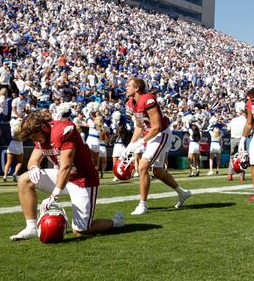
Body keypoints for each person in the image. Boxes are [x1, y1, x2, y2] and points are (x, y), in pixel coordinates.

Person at [10, 110, 124, 240]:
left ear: (43, 127)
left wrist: (54, 195)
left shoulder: (63, 130)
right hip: (62, 177)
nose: (35, 140)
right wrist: (34, 167)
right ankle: (31, 227)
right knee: (24, 179)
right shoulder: (41, 135)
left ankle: (115, 222)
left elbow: (66, 166)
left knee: (81, 231)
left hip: (82, 180)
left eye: (35, 136)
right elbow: (33, 159)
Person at [125, 78, 191, 215]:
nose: (126, 87)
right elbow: (139, 126)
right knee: (158, 172)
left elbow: (157, 127)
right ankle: (182, 193)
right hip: (151, 135)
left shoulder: (148, 99)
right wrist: (131, 144)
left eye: (129, 85)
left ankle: (142, 204)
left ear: (137, 88)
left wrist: (140, 142)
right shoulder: (131, 102)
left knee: (143, 166)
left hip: (161, 134)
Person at [227, 102, 247, 181]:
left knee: (232, 157)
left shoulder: (233, 120)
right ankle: (241, 176)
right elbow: (250, 131)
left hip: (233, 139)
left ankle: (230, 174)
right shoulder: (245, 120)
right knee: (242, 157)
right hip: (242, 139)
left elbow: (228, 129)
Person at [3, 115, 23, 182]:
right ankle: (15, 173)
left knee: (8, 162)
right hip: (19, 145)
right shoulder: (23, 129)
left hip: (12, 144)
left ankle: (5, 175)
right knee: (20, 161)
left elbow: (11, 121)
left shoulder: (13, 127)